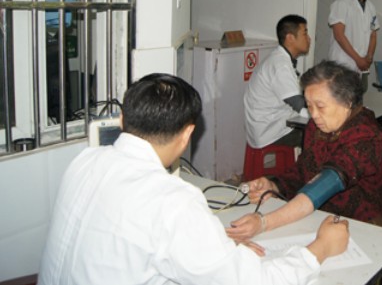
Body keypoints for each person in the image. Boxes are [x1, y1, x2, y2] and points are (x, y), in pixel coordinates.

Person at [39, 73, 349, 285]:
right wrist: (319, 249)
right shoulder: (173, 201)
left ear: (122, 119)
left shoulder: (85, 161)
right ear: (188, 134)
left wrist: (209, 242)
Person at [227, 61, 382, 242]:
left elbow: (324, 184)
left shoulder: (366, 136)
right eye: (309, 106)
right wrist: (274, 186)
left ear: (347, 102)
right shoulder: (316, 128)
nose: (313, 114)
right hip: (323, 219)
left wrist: (264, 222)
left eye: (320, 106)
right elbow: (302, 171)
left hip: (366, 228)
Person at [244, 14, 311, 149]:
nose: (309, 39)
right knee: (319, 135)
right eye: (305, 33)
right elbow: (298, 104)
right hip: (270, 132)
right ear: (290, 38)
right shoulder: (280, 65)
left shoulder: (281, 59)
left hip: (271, 125)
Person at [328, 0, 379, 90]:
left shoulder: (371, 7)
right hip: (343, 64)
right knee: (342, 99)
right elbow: (339, 35)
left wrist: (369, 57)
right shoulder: (341, 3)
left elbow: (373, 34)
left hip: (362, 66)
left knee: (359, 98)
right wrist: (358, 59)